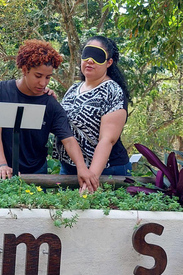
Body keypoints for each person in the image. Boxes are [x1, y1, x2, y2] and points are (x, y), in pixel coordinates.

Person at [0, 40, 97, 191]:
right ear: (25, 70)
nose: (43, 83)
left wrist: (82, 168)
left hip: (36, 176)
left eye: (48, 77)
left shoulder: (50, 104)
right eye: (38, 76)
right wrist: (2, 165)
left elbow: (68, 139)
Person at [55, 36, 131, 181]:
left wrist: (91, 178)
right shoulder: (73, 89)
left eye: (97, 56)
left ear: (109, 62)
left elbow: (107, 140)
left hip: (107, 171)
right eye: (87, 55)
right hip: (71, 169)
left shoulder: (112, 91)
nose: (90, 60)